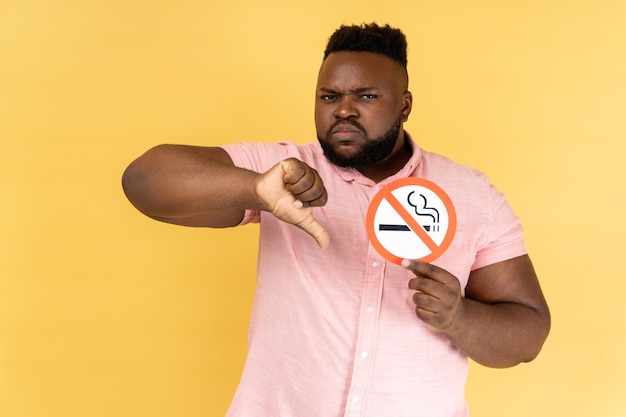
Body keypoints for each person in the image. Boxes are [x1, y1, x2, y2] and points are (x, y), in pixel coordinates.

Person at [122, 23, 550, 417]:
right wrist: (254, 189)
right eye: (329, 96)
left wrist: (459, 318)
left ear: (404, 106)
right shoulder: (283, 170)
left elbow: (528, 333)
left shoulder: (473, 195)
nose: (343, 110)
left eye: (365, 96)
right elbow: (143, 179)